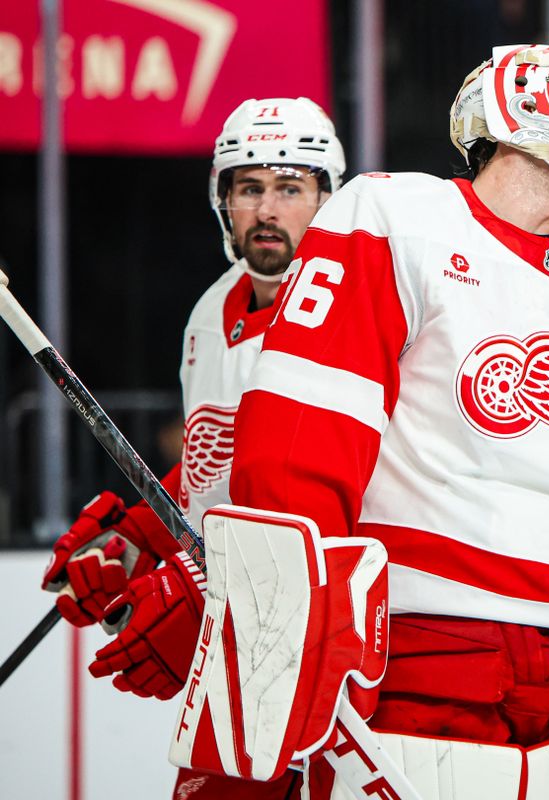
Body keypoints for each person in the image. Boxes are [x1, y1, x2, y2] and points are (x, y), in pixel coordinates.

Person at [82, 45, 549, 800]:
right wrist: (260, 605)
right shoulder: (395, 218)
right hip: (421, 656)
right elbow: (302, 451)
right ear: (527, 113)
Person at [40, 96, 346, 798]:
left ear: (328, 199)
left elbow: (348, 487)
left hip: (332, 640)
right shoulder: (212, 310)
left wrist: (203, 584)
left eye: (290, 188)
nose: (268, 210)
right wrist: (138, 535)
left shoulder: (355, 307)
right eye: (250, 188)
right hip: (240, 640)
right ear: (223, 200)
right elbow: (218, 465)